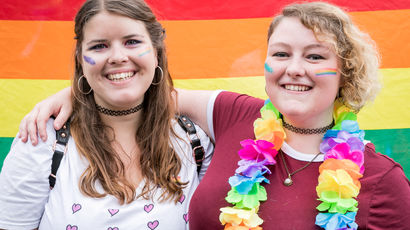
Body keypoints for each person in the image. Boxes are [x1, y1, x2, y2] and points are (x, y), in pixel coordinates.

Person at [16, 1, 410, 230]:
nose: (295, 68)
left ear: (347, 71)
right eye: (281, 53)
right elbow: (138, 87)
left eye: (315, 56)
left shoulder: (381, 180)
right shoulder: (236, 115)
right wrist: (75, 89)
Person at [0, 0, 213, 229]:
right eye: (99, 46)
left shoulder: (193, 140)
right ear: (81, 60)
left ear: (156, 54)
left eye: (132, 42)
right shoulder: (42, 140)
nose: (117, 57)